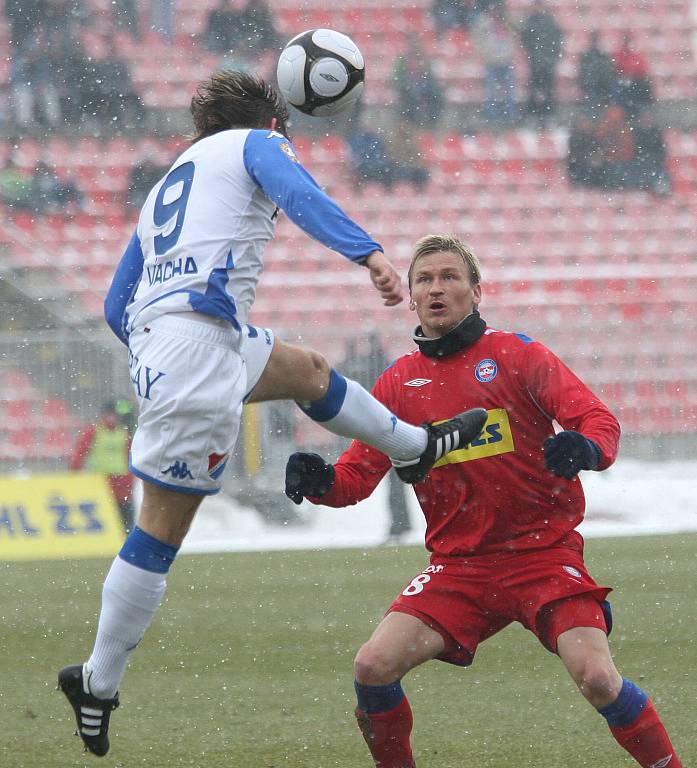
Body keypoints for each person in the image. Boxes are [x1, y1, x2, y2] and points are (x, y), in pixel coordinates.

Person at [57, 71, 487, 757]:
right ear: (273, 122)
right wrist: (369, 254)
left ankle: (412, 447)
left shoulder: (174, 176)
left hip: (185, 342)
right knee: (160, 532)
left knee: (306, 370)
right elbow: (298, 192)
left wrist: (159, 358)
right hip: (195, 351)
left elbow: (116, 305)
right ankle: (98, 682)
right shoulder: (257, 141)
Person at [285, 234, 683, 768]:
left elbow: (599, 421)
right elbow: (355, 479)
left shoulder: (518, 356)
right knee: (372, 667)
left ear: (476, 291)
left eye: (450, 277)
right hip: (459, 568)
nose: (436, 288)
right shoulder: (398, 384)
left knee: (597, 678)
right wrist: (321, 482)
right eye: (424, 279)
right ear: (410, 297)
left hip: (543, 556)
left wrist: (584, 447)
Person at [70, 402, 135, 533]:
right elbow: (80, 452)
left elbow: (130, 455)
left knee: (125, 515)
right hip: (102, 481)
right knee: (104, 514)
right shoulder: (94, 431)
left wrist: (131, 477)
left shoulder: (123, 433)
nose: (111, 418)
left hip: (122, 481)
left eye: (113, 415)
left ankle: (125, 539)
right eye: (108, 415)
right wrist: (75, 472)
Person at [520, 0, 564, 126]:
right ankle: (533, 115)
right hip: (535, 62)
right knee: (534, 90)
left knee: (548, 90)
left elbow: (557, 39)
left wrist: (552, 57)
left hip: (547, 63)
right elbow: (525, 39)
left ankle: (548, 116)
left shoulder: (549, 21)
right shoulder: (531, 21)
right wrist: (532, 54)